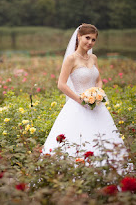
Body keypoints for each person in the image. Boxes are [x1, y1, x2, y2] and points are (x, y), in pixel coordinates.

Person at [42, 24, 130, 171]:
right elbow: (61, 84)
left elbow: (98, 80)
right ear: (79, 37)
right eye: (87, 38)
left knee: (103, 138)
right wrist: (80, 100)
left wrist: (97, 93)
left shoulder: (93, 58)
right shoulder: (71, 59)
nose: (90, 42)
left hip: (96, 106)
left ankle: (105, 169)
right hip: (77, 105)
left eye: (93, 40)